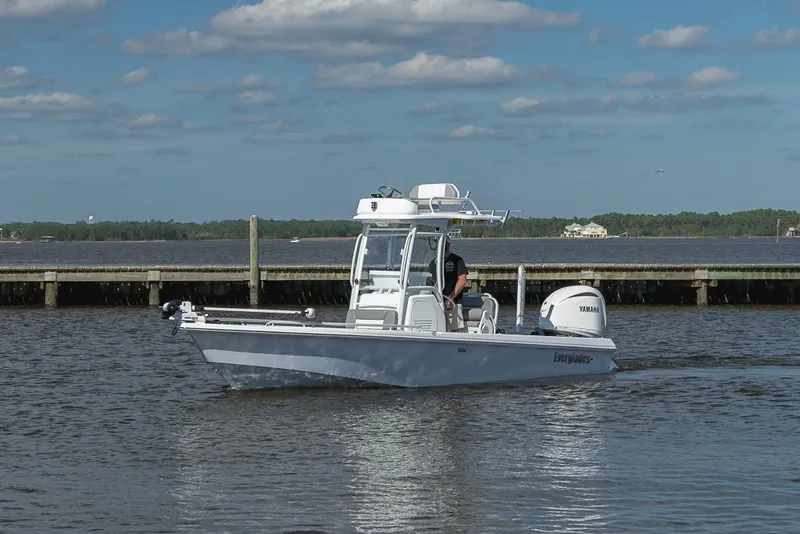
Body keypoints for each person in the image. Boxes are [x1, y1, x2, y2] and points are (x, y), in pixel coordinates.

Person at [441, 237, 469, 332]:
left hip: (454, 302)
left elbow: (462, 280)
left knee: (454, 329)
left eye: (445, 243)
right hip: (437, 301)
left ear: (449, 244)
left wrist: (450, 298)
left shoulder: (457, 260)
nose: (444, 245)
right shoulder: (435, 262)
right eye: (441, 242)